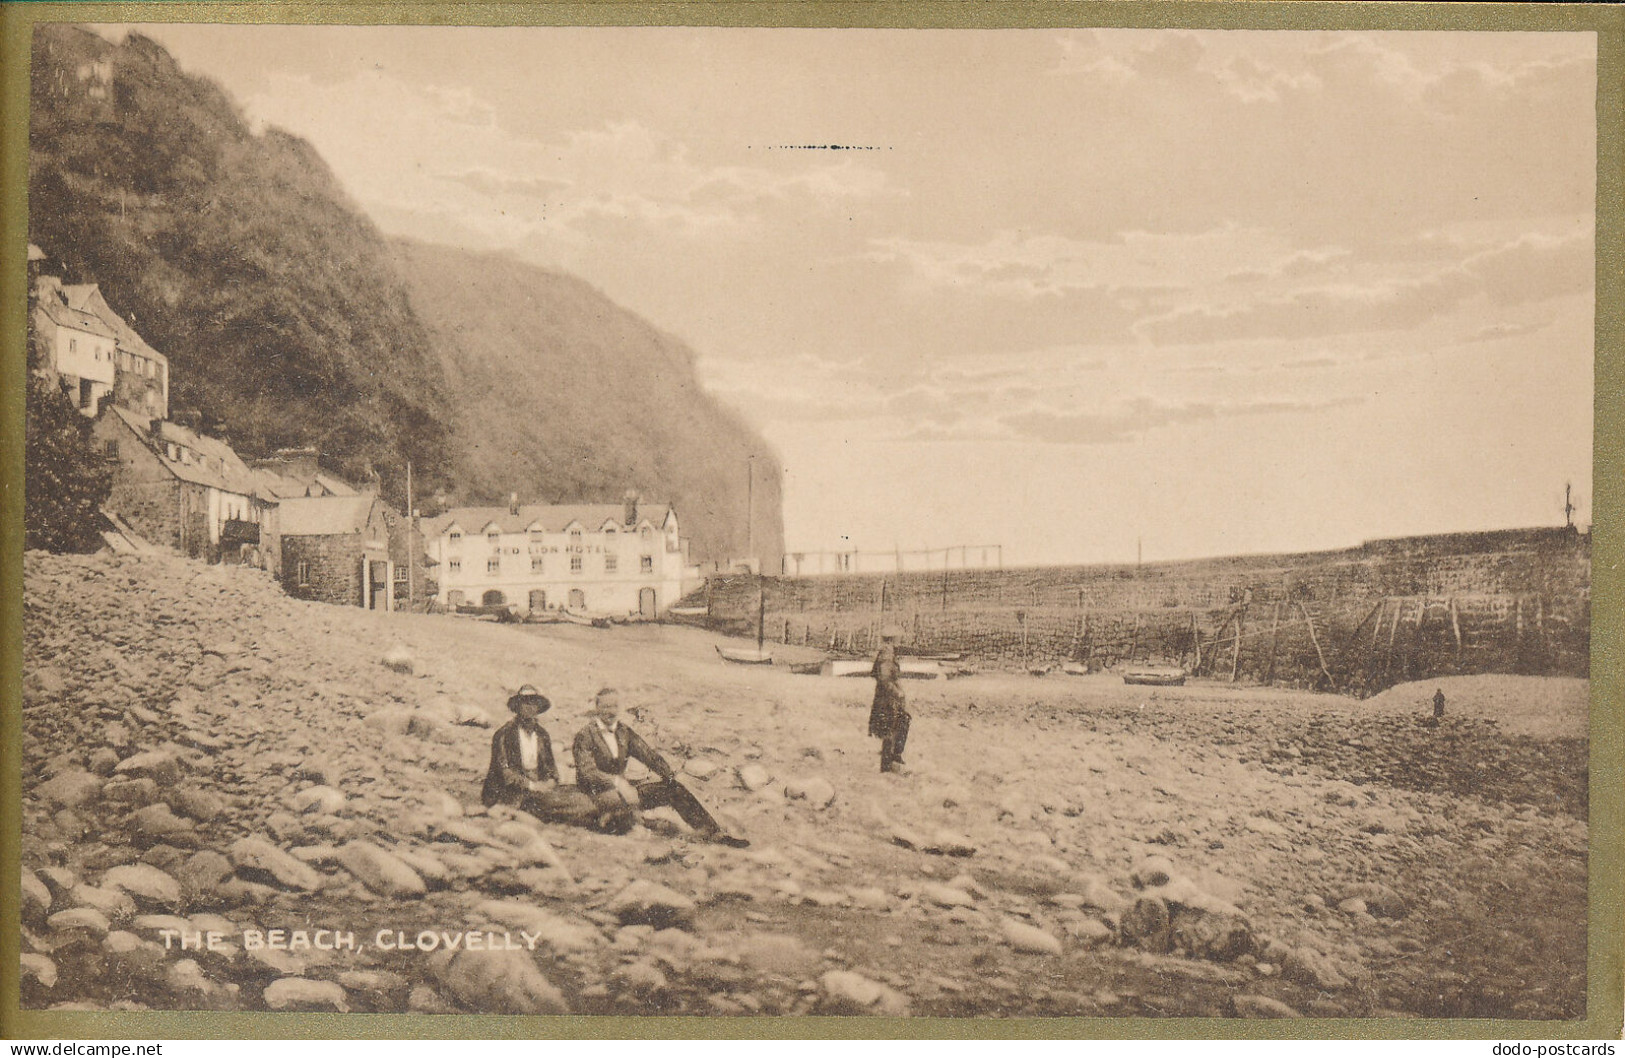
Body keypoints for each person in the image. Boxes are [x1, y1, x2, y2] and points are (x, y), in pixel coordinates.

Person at [572, 687, 748, 846]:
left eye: (614, 707)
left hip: (624, 791)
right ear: (596, 709)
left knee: (675, 789)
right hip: (596, 793)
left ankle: (713, 833)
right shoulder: (585, 735)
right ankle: (624, 820)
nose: (610, 712)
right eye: (605, 707)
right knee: (624, 811)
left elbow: (649, 756)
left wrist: (670, 775)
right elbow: (587, 772)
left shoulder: (624, 732)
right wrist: (617, 782)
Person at [481, 685, 599, 826]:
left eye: (534, 703)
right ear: (517, 707)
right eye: (525, 703)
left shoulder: (542, 735)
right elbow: (505, 772)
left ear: (538, 707)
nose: (530, 707)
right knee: (573, 805)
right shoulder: (504, 734)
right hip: (511, 792)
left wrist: (550, 782)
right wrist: (532, 786)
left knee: (581, 798)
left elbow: (551, 770)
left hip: (538, 789)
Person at [869, 625, 911, 773]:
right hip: (887, 698)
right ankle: (890, 763)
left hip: (885, 697)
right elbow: (885, 678)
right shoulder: (887, 654)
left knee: (895, 726)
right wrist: (897, 692)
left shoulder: (887, 653)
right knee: (893, 727)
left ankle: (891, 761)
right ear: (893, 639)